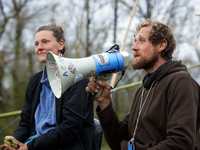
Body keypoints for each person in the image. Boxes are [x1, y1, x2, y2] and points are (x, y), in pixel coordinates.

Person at [85, 18, 200, 150]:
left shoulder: (180, 82)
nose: (134, 47)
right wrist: (105, 103)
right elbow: (120, 140)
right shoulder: (143, 89)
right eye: (135, 41)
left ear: (162, 45)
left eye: (141, 40)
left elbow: (181, 142)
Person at [0, 22, 94, 150]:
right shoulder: (34, 80)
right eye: (36, 44)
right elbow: (25, 122)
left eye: (45, 42)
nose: (39, 47)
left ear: (61, 44)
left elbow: (70, 129)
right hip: (34, 143)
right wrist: (15, 143)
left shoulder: (77, 79)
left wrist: (29, 147)